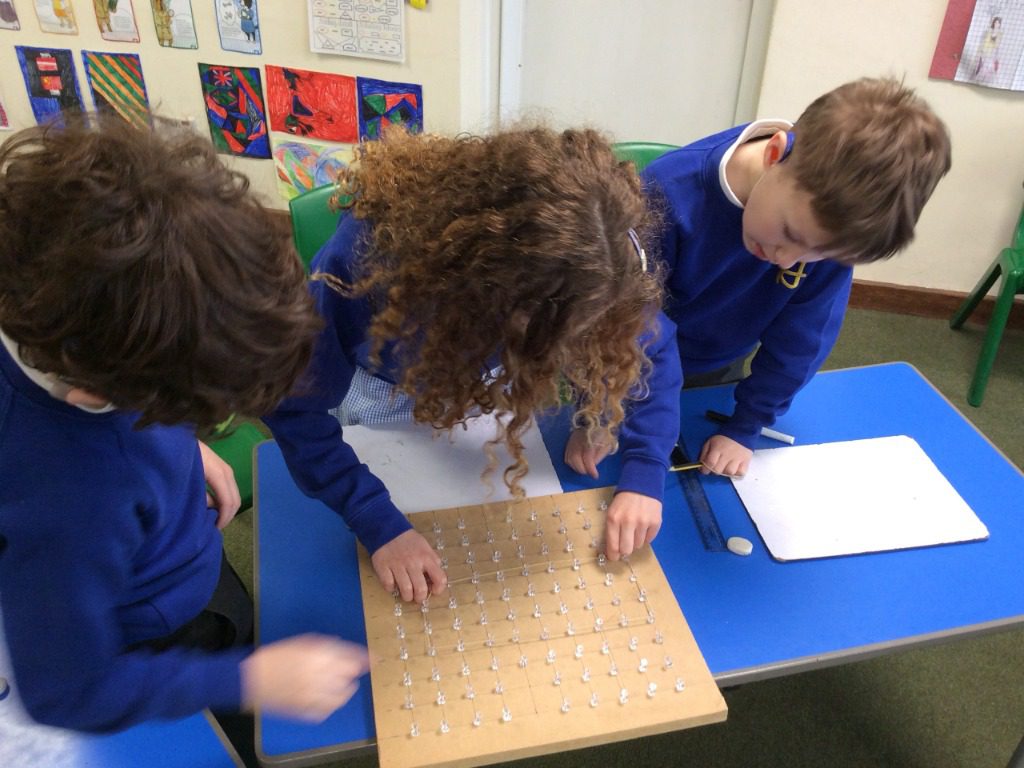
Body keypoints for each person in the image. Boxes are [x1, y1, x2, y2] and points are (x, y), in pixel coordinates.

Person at [0, 116, 370, 735]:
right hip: (150, 632)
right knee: (228, 720)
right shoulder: (73, 501)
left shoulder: (63, 317)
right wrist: (248, 682)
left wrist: (185, 449)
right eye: (184, 410)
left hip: (178, 546)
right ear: (105, 394)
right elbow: (68, 691)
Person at [264, 126, 683, 602]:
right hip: (380, 383)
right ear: (487, 284)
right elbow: (293, 406)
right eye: (547, 332)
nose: (566, 352)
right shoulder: (365, 266)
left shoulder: (602, 262)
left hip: (484, 384)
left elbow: (650, 349)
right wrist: (375, 520)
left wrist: (642, 463)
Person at [642, 77, 951, 477]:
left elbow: (801, 342)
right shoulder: (664, 193)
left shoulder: (827, 231)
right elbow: (621, 318)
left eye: (816, 253)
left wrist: (746, 424)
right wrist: (609, 411)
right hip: (632, 354)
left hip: (716, 364)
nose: (787, 261)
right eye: (790, 233)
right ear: (774, 154)